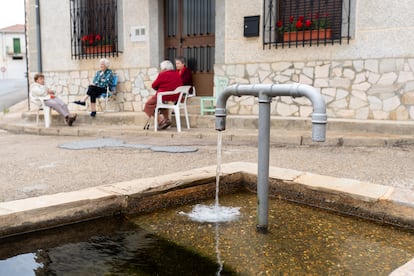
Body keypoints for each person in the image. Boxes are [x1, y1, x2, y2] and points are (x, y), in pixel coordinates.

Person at [143, 60, 183, 130]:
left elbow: (154, 85)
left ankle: (161, 121)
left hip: (163, 96)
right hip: (175, 97)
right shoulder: (177, 74)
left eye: (161, 68)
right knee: (161, 104)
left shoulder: (162, 74)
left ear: (164, 69)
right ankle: (166, 119)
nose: (161, 69)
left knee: (148, 105)